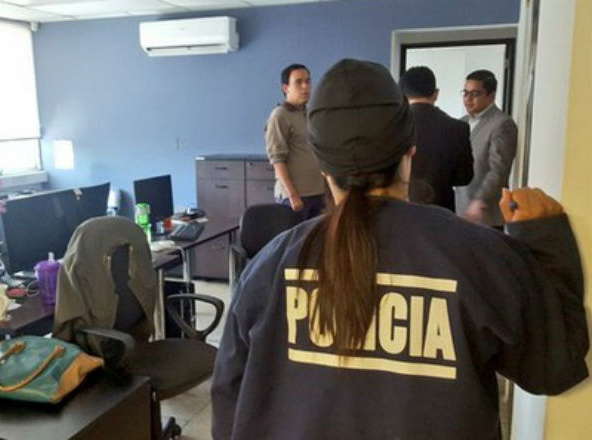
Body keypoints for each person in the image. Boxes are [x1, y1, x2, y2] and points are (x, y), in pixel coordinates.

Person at [211, 59, 588, 439]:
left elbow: (229, 408)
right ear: (410, 151)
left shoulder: (268, 266)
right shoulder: (480, 256)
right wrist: (545, 239)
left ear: (323, 166)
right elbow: (557, 366)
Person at [399, 66, 473, 211]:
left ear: (402, 95)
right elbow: (464, 178)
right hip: (442, 210)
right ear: (436, 94)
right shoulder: (458, 128)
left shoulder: (393, 126)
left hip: (402, 208)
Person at [455, 69, 518, 228]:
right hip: (461, 209)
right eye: (465, 93)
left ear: (491, 96)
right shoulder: (461, 123)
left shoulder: (502, 124)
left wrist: (479, 200)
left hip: (486, 213)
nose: (468, 99)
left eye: (475, 94)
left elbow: (499, 169)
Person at [264, 63, 325, 220]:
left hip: (318, 194)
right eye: (298, 82)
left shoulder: (310, 115)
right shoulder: (280, 115)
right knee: (296, 236)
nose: (305, 87)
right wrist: (292, 194)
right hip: (295, 197)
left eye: (308, 81)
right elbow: (277, 159)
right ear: (286, 88)